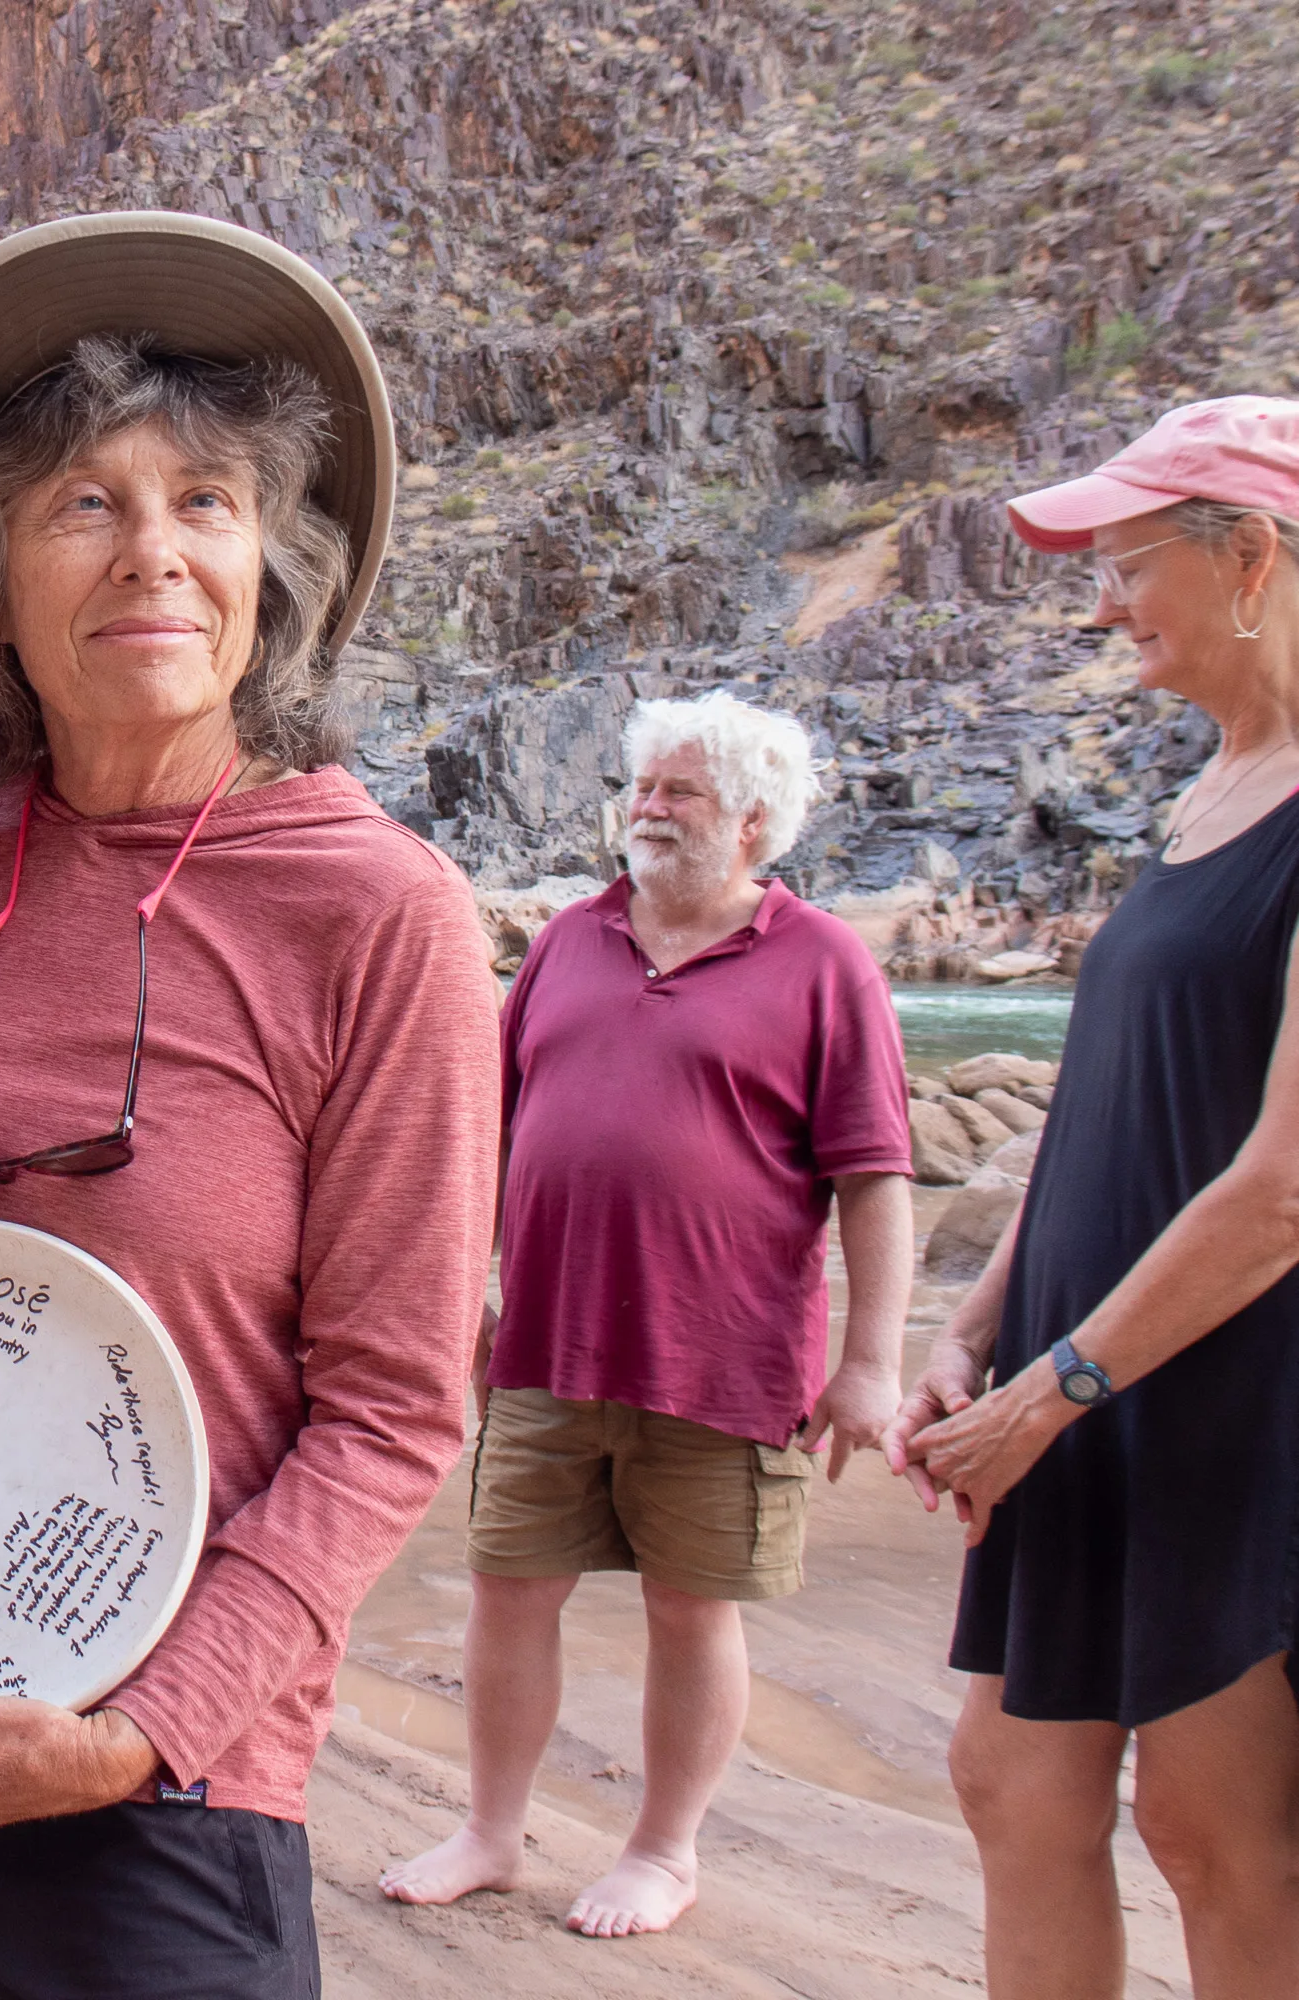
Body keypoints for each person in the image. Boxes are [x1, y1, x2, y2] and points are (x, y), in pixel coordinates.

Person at [0, 212, 498, 1998]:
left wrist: (141, 1729)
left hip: (168, 1789)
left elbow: (394, 1412)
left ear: (270, 568)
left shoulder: (383, 914)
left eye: (205, 503)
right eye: (83, 504)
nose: (152, 551)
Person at [380, 690, 915, 1936]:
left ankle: (664, 1851)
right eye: (644, 785)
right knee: (509, 1584)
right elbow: (488, 1131)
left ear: (753, 819)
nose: (649, 808)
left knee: (690, 1604)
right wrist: (461, 1291)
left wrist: (873, 1363)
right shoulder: (571, 938)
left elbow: (877, 1175)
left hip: (725, 1356)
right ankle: (492, 1831)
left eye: (681, 791)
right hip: (545, 1342)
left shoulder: (824, 962)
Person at [887, 397, 1299, 2000]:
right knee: (1013, 1780)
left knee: (1216, 1832)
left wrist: (1052, 1390)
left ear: (1250, 557)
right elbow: (1101, 1103)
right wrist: (978, 1329)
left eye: (1129, 567)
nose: (1108, 605)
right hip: (1081, 1378)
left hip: (1226, 1394)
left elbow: (1279, 1193)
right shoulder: (1211, 790)